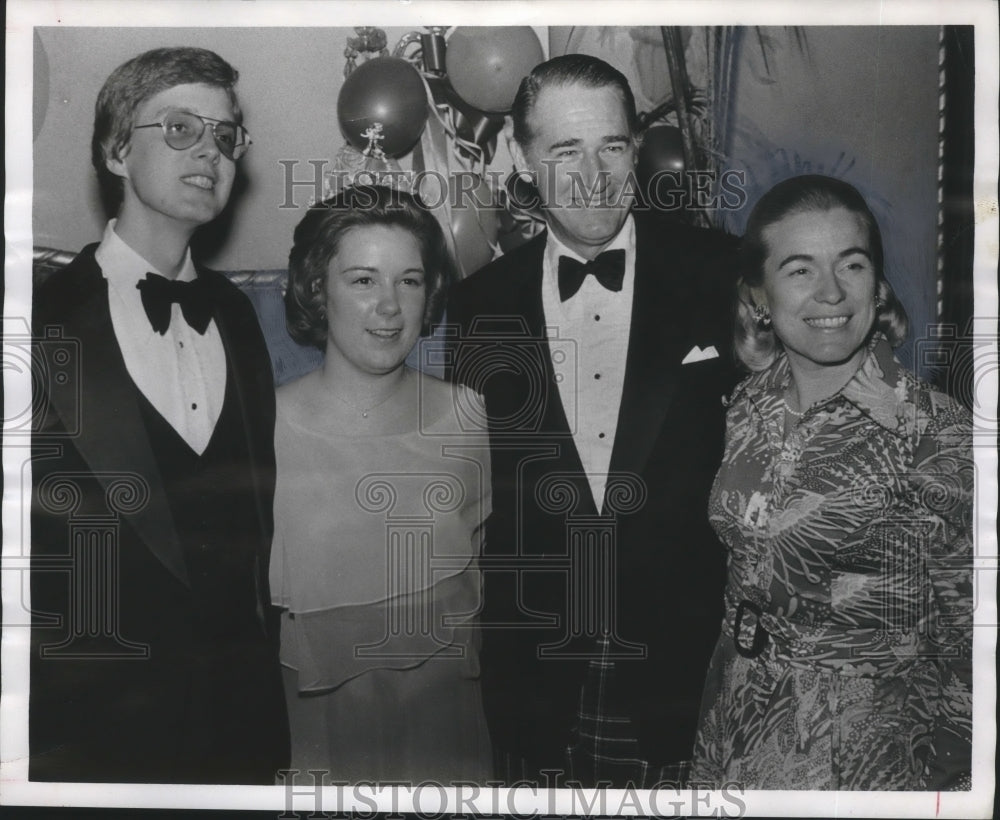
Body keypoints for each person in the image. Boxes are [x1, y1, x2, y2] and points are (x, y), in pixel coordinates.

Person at [447, 54, 739, 787]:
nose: (595, 173)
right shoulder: (478, 306)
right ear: (520, 156)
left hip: (689, 673)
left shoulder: (722, 273)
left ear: (635, 149)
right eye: (565, 150)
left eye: (611, 146)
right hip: (539, 680)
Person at [30, 47, 289, 783]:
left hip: (237, 737)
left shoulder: (240, 316)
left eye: (226, 135)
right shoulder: (36, 321)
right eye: (181, 128)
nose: (210, 149)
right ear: (117, 149)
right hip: (86, 742)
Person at [690, 175, 973, 790]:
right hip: (735, 720)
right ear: (758, 297)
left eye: (852, 264)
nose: (831, 293)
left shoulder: (938, 432)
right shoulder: (744, 405)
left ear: (879, 283)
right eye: (799, 270)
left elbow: (975, 628)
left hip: (869, 751)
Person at [271, 185, 493, 782]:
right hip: (316, 745)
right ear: (318, 290)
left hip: (445, 740)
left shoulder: (470, 417)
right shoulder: (263, 427)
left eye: (410, 281)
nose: (390, 306)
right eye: (364, 280)